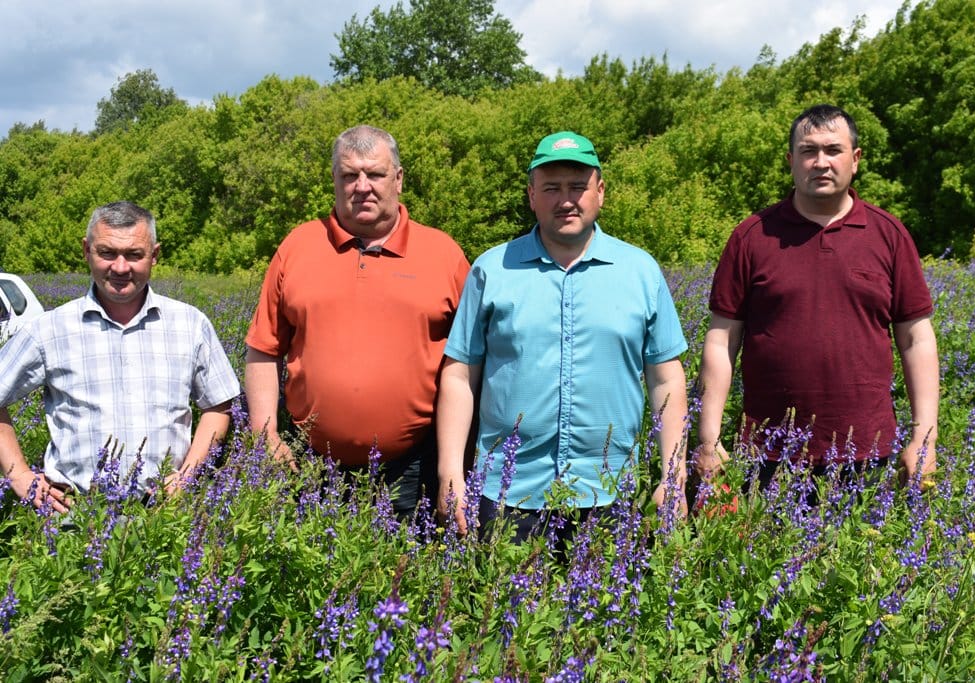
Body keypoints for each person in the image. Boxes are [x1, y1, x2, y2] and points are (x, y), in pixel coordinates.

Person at [436, 131, 689, 542]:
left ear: (600, 192)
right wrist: (450, 473)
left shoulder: (640, 271)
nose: (566, 200)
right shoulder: (492, 270)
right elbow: (459, 375)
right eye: (551, 188)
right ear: (531, 195)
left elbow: (666, 378)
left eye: (577, 187)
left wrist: (673, 475)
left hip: (611, 492)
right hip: (509, 492)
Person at [696, 104, 939, 490]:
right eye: (808, 151)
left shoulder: (888, 235)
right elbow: (721, 340)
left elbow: (917, 339)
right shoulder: (752, 237)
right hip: (767, 454)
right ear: (791, 161)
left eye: (833, 150)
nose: (821, 162)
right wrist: (708, 439)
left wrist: (924, 437)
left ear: (855, 159)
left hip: (868, 451)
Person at [244, 125, 469, 517]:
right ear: (334, 179)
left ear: (399, 179)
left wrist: (454, 464)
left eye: (375, 174)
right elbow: (264, 348)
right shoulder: (297, 247)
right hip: (308, 464)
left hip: (412, 468)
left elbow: (466, 364)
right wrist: (265, 433)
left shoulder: (443, 254)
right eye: (350, 175)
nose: (362, 187)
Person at [0, 201, 240, 512]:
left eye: (134, 254)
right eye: (107, 253)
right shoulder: (50, 329)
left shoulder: (190, 324)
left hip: (164, 514)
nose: (121, 267)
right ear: (86, 251)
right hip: (76, 516)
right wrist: (19, 475)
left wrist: (187, 476)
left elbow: (218, 405)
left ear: (154, 255)